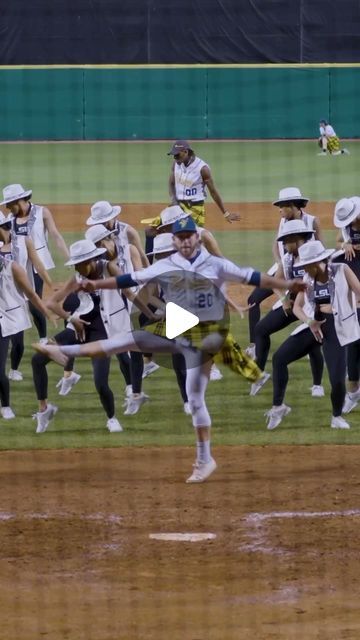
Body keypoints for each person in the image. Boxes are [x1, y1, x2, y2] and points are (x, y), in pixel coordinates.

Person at [34, 217, 306, 483]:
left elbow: (256, 278)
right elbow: (127, 280)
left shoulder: (217, 265)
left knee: (196, 397)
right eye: (180, 238)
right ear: (175, 241)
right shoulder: (165, 265)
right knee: (124, 341)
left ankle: (206, 454)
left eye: (189, 237)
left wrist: (287, 285)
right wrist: (96, 284)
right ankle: (64, 352)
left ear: (196, 238)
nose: (185, 242)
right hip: (178, 329)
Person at [31, 238, 141, 434]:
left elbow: (129, 293)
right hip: (79, 329)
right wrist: (71, 318)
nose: (77, 268)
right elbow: (52, 303)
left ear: (90, 260)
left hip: (102, 334)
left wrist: (147, 313)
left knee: (100, 382)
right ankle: (44, 410)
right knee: (38, 359)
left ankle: (111, 418)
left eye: (79, 264)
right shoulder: (76, 279)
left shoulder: (109, 269)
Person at [264, 240, 360, 431]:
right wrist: (310, 322)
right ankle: (278, 407)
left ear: (317, 263)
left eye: (306, 265)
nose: (304, 269)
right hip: (316, 326)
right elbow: (298, 307)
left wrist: (348, 307)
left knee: (337, 379)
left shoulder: (342, 270)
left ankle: (336, 417)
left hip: (337, 330)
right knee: (279, 358)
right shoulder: (308, 279)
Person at [250, 219, 324, 397]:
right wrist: (283, 299)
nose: (283, 244)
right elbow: (276, 281)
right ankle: (259, 375)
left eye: (286, 241)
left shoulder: (313, 253)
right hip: (293, 304)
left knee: (312, 341)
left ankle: (317, 385)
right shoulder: (288, 258)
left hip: (314, 305)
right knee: (260, 329)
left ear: (297, 238)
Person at [246, 186, 322, 358]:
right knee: (253, 299)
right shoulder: (283, 222)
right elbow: (276, 245)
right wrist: (281, 263)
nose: (279, 209)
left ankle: (310, 340)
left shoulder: (311, 221)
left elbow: (320, 248)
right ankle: (254, 345)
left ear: (293, 205)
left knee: (307, 306)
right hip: (284, 267)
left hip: (306, 272)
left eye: (282, 205)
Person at [142, 140, 240, 256]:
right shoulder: (176, 164)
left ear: (185, 151)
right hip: (178, 206)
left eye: (177, 155)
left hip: (195, 210)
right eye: (174, 155)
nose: (175, 158)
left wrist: (225, 213)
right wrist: (174, 200)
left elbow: (213, 192)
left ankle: (214, 263)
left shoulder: (202, 168)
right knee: (150, 231)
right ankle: (146, 267)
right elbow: (171, 183)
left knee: (189, 239)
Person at [0, 183, 69, 345]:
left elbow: (55, 235)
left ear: (19, 200)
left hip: (40, 263)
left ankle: (43, 337)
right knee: (19, 301)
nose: (8, 208)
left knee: (33, 300)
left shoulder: (42, 212)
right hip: (20, 265)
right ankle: (14, 339)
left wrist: (68, 257)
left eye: (9, 204)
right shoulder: (10, 220)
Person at [0, 249, 53, 419]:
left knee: (5, 364)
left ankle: (6, 406)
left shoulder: (12, 267)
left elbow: (31, 294)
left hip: (9, 321)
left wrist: (46, 312)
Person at [333, 197, 360, 414]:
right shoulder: (346, 225)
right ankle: (353, 391)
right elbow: (337, 240)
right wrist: (345, 243)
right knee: (353, 339)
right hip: (354, 276)